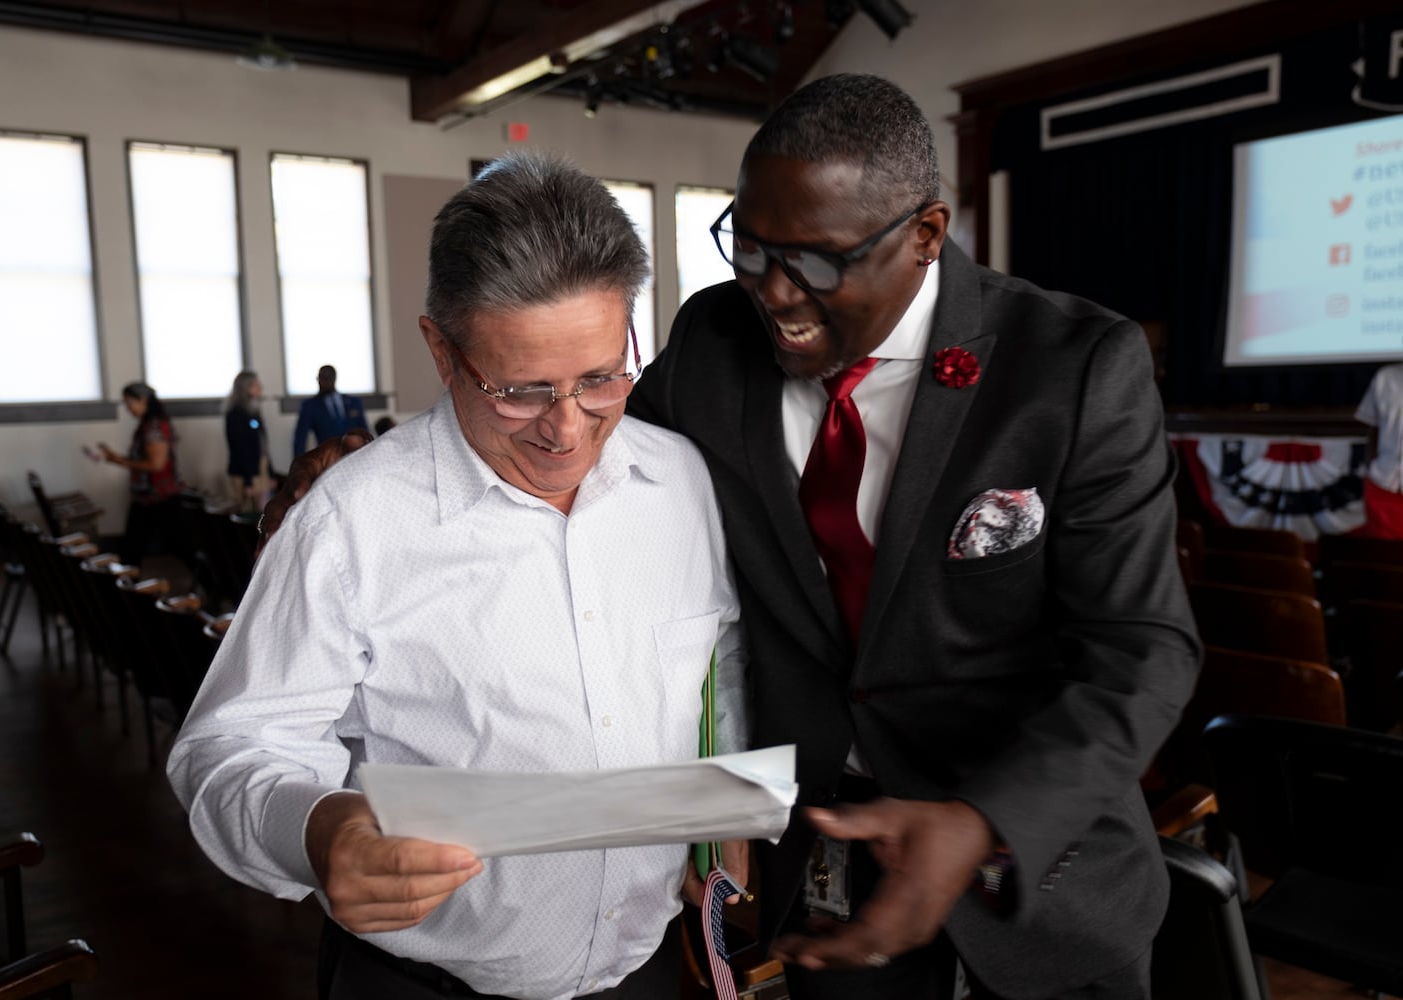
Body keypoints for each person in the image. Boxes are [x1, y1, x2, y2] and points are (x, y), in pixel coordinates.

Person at [263, 75, 1199, 1000]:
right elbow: (566, 417)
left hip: (1041, 870)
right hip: (830, 866)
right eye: (749, 248)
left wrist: (984, 817)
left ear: (924, 236)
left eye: (817, 261)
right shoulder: (718, 339)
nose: (776, 294)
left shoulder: (1071, 368)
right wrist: (357, 477)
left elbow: (1144, 651)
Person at [168, 152, 748, 1000]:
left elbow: (715, 669)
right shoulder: (350, 521)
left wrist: (721, 813)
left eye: (600, 378)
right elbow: (228, 748)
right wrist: (322, 829)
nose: (567, 430)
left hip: (652, 968)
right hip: (423, 983)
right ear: (441, 350)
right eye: (519, 390)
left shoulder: (681, 483)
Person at [99, 381, 183, 567]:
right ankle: (128, 587)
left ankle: (217, 586)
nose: (128, 408)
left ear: (143, 400)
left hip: (159, 496)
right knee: (132, 548)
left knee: (180, 546)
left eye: (129, 402)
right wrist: (116, 458)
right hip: (146, 497)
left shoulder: (154, 426)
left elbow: (156, 464)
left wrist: (119, 461)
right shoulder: (147, 425)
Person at [1354, 362, 1403, 538]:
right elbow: (1372, 427)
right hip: (1383, 482)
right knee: (1382, 556)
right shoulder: (1385, 377)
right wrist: (1369, 469)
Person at [292, 364, 368, 463]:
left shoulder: (353, 402)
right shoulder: (310, 405)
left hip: (355, 457)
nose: (322, 382)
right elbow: (300, 438)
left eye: (326, 378)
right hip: (327, 459)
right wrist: (300, 465)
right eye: (320, 378)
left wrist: (368, 455)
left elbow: (365, 431)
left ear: (334, 378)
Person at [224, 370, 271, 510]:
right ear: (246, 388)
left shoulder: (254, 412)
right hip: (245, 474)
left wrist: (270, 472)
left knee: (264, 514)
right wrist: (248, 481)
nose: (261, 387)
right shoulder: (236, 415)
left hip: (260, 470)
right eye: (257, 384)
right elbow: (240, 449)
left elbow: (262, 445)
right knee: (247, 512)